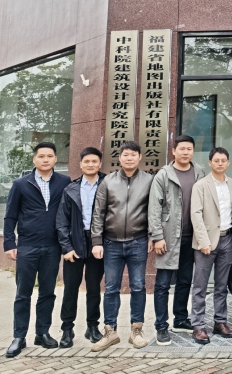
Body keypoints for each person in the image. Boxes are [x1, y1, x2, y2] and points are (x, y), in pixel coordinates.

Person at [3, 142, 71, 358]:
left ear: (55, 159)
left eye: (50, 156)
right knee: (23, 293)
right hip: (27, 246)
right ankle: (19, 336)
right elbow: (10, 216)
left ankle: (42, 333)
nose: (45, 159)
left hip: (52, 246)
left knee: (47, 292)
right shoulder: (21, 184)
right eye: (41, 156)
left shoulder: (64, 182)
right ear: (34, 159)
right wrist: (9, 243)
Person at [90, 141, 154, 351]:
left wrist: (152, 236)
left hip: (138, 241)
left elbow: (154, 211)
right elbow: (98, 213)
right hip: (111, 243)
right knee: (111, 288)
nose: (129, 158)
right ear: (120, 157)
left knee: (138, 286)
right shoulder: (108, 181)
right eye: (125, 154)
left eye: (133, 155)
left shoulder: (149, 180)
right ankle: (110, 332)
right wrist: (97, 241)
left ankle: (136, 331)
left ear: (139, 157)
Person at [148, 135, 205, 345]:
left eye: (189, 149)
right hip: (169, 237)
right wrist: (157, 237)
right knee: (163, 284)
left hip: (191, 237)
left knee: (184, 280)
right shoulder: (163, 175)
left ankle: (180, 319)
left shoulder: (199, 172)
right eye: (182, 148)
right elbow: (154, 208)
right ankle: (161, 326)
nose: (185, 152)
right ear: (174, 151)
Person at [56, 147, 106, 348]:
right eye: (87, 161)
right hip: (75, 242)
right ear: (81, 164)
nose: (90, 165)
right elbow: (61, 222)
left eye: (94, 161)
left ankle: (92, 326)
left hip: (97, 243)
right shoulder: (71, 189)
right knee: (70, 288)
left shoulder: (107, 185)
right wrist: (66, 248)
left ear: (100, 164)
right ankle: (67, 329)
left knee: (94, 288)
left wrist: (102, 243)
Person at [189, 147, 232, 344]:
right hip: (207, 242)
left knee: (221, 285)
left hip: (227, 239)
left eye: (223, 160)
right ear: (210, 163)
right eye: (216, 160)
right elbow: (195, 214)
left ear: (228, 163)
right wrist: (203, 241)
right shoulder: (200, 185)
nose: (220, 163)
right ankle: (198, 325)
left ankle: (220, 321)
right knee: (200, 285)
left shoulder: (231, 183)